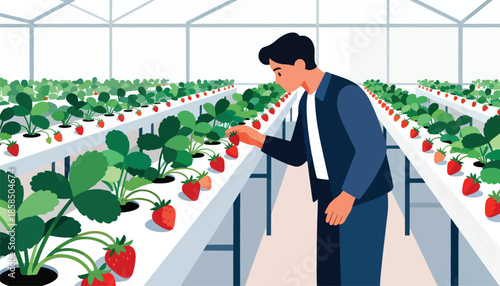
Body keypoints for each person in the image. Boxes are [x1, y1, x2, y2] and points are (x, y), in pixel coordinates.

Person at [225, 33, 394, 286]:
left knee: (358, 275)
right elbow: (297, 154)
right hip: (328, 194)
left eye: (279, 72)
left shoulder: (345, 93)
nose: (276, 79)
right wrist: (257, 139)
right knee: (329, 275)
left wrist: (348, 196)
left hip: (362, 198)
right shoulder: (307, 100)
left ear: (301, 65)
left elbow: (372, 149)